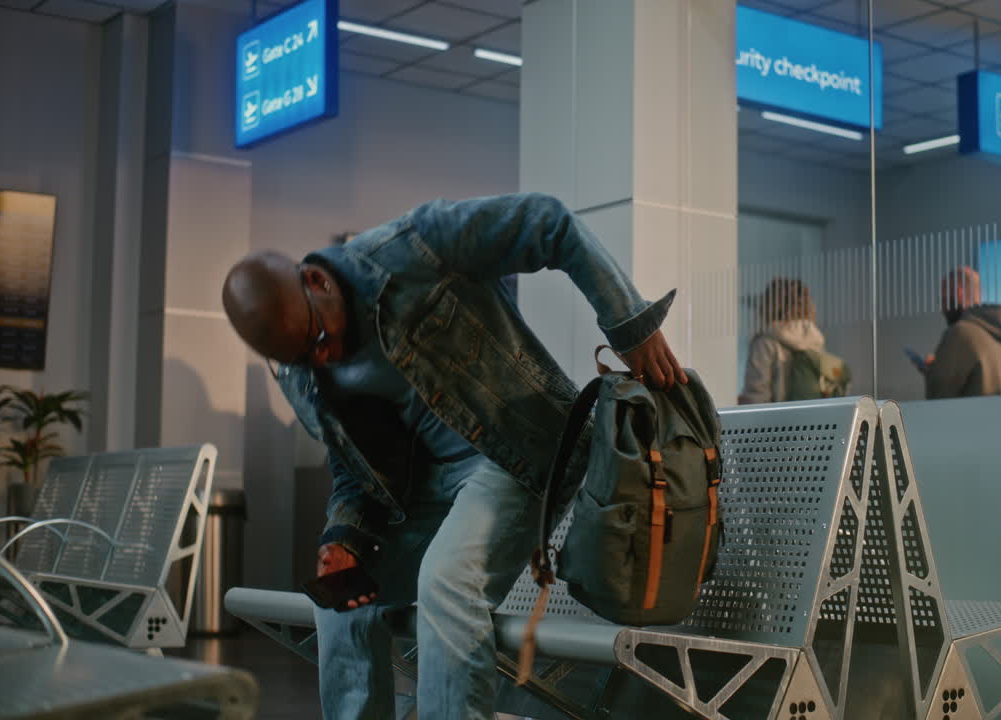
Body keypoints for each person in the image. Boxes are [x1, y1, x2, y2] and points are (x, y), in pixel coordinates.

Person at [220, 193, 688, 720]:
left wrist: (631, 326)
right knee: (341, 607)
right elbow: (353, 471)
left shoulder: (413, 249)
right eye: (303, 357)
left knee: (447, 584)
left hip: (514, 453)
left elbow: (547, 221)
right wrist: (343, 538)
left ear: (317, 282)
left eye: (320, 339)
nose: (321, 357)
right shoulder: (300, 370)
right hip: (423, 498)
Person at [738, 277, 847, 403]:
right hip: (811, 421)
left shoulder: (765, 343)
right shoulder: (815, 341)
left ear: (770, 305)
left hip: (778, 421)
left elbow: (756, 397)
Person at [921, 266, 1001, 399]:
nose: (942, 309)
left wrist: (932, 373)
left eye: (944, 300)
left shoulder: (959, 334)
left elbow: (938, 400)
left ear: (959, 292)